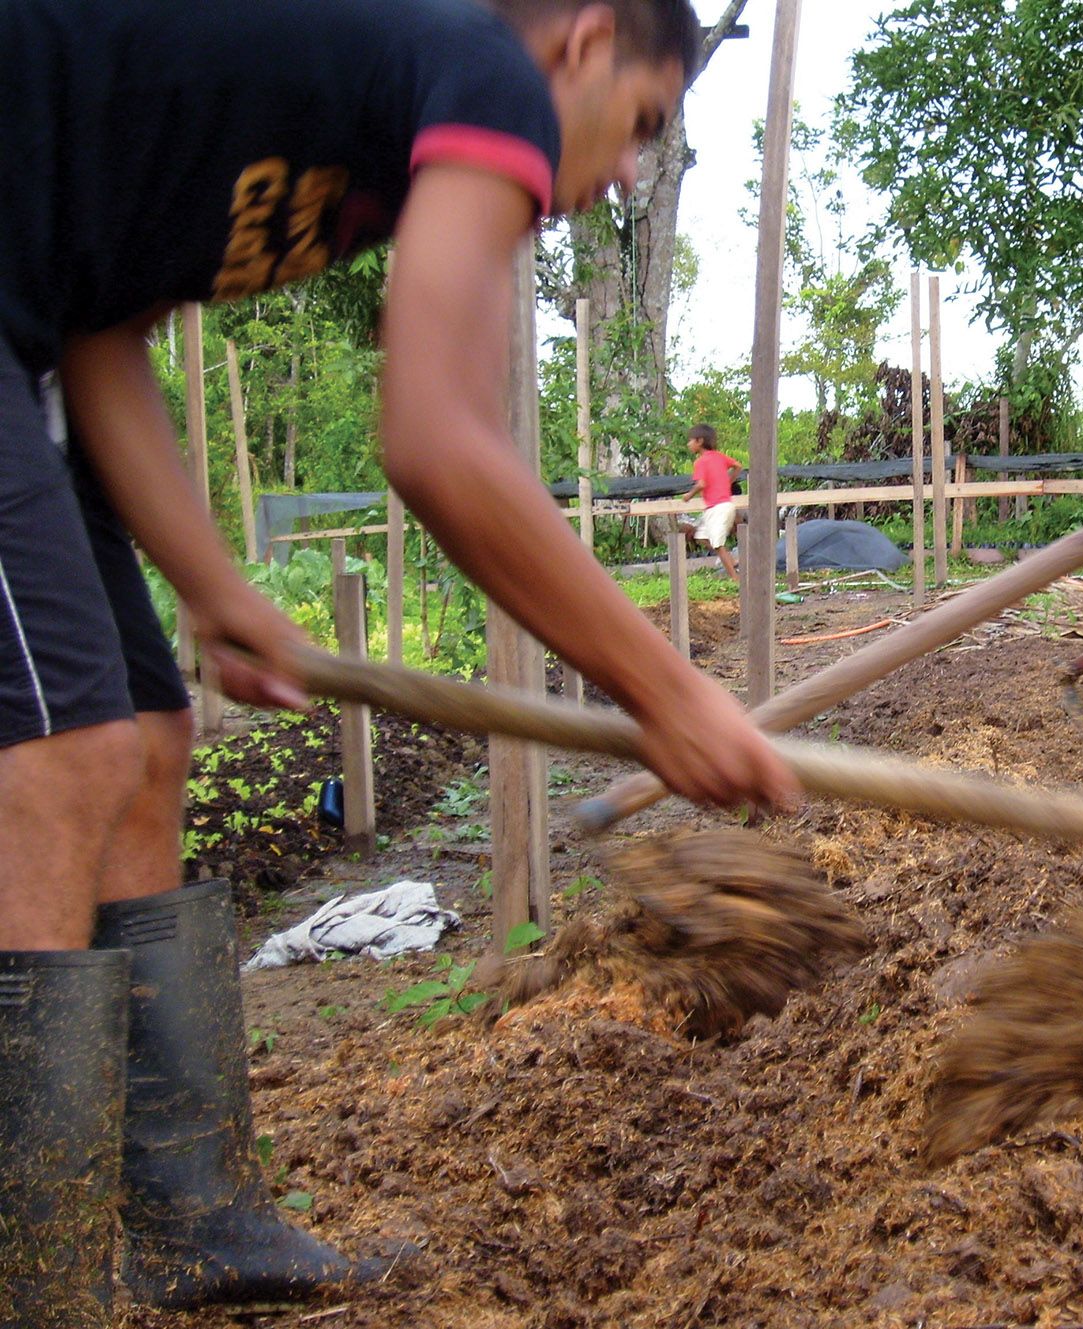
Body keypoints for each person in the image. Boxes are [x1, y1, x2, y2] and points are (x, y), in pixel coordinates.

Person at [0, 0, 799, 1320]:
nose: (617, 177)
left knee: (144, 746)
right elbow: (437, 441)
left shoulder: (339, 136)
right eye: (644, 125)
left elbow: (103, 334)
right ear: (582, 39)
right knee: (59, 754)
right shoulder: (478, 64)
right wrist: (667, 690)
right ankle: (38, 1287)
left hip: (34, 325)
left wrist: (214, 590)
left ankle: (189, 1218)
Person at [683, 422, 743, 581]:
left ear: (700, 441)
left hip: (718, 507)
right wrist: (730, 481)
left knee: (717, 544)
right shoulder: (719, 457)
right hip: (718, 507)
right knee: (702, 537)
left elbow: (701, 484)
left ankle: (735, 577)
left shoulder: (701, 462)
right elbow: (738, 465)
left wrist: (689, 495)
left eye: (691, 440)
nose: (689, 444)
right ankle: (732, 561)